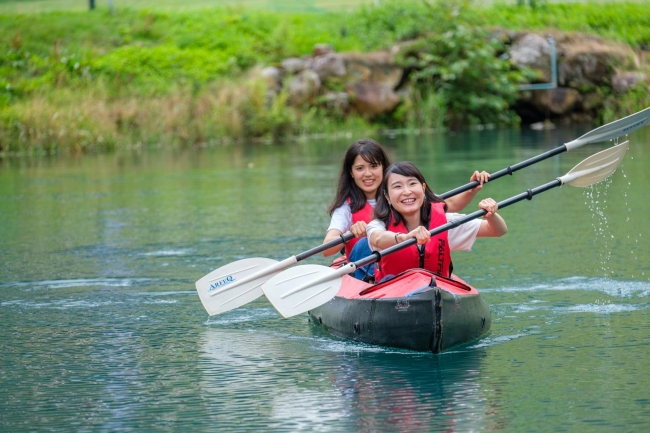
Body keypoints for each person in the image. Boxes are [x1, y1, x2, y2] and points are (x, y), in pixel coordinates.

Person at [323, 138, 492, 280]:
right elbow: (327, 249)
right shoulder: (346, 207)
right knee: (364, 242)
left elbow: (446, 206)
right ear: (351, 172)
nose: (368, 174)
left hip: (406, 266)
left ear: (383, 167)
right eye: (360, 168)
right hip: (363, 270)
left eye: (373, 166)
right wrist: (347, 235)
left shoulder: (405, 196)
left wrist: (472, 189)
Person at [367, 161, 507, 282]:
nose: (407, 191)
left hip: (437, 289)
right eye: (397, 186)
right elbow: (377, 238)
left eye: (412, 184)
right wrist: (405, 238)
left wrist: (490, 214)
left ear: (423, 189)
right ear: (387, 197)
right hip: (394, 294)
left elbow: (498, 231)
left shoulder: (445, 223)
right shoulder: (379, 224)